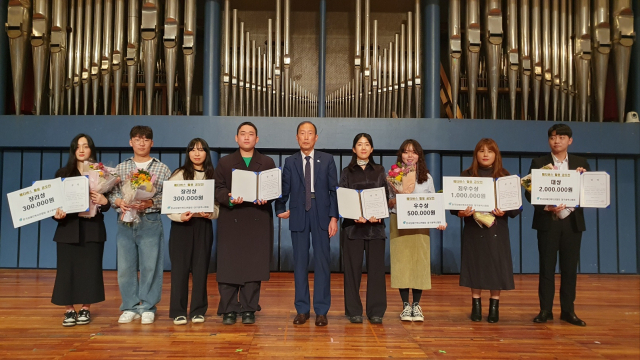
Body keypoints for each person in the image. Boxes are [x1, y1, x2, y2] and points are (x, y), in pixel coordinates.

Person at [275, 121, 339, 327]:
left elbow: (333, 191)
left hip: (321, 215)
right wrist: (279, 208)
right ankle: (302, 310)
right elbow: (283, 190)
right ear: (296, 137)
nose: (305, 137)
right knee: (300, 264)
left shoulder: (327, 160)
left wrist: (334, 217)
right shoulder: (290, 161)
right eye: (302, 133)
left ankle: (321, 310)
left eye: (309, 133)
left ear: (316, 137)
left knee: (322, 263)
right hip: (298, 214)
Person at [526, 124, 590, 327]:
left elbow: (590, 192)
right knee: (546, 267)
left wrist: (583, 179)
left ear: (570, 141)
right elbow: (529, 191)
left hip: (572, 222)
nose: (557, 141)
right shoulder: (539, 163)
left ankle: (568, 311)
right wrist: (547, 206)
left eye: (562, 137)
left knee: (570, 269)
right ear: (549, 141)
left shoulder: (581, 163)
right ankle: (545, 310)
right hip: (548, 221)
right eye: (553, 137)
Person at [214, 122, 276, 325]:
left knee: (253, 265)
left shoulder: (267, 162)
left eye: (251, 134)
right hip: (232, 219)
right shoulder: (225, 162)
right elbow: (217, 189)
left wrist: (267, 197)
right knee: (229, 265)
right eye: (243, 134)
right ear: (236, 138)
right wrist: (229, 198)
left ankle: (249, 308)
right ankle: (229, 308)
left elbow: (274, 189)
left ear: (257, 139)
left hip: (257, 218)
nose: (247, 137)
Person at [453, 138, 521, 323]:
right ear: (476, 155)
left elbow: (516, 208)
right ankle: (475, 305)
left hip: (496, 229)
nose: (485, 154)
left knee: (495, 266)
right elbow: (454, 204)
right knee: (475, 265)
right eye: (481, 151)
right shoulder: (467, 175)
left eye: (489, 151)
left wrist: (504, 210)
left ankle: (494, 306)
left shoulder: (505, 177)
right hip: (474, 229)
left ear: (495, 155)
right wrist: (460, 212)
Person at [109, 126, 171, 325]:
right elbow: (110, 193)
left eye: (146, 139)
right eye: (137, 139)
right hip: (125, 220)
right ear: (131, 142)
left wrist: (150, 202)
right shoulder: (121, 168)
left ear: (152, 143)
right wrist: (119, 202)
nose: (142, 143)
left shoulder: (162, 168)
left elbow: (169, 196)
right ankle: (129, 306)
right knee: (126, 267)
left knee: (150, 266)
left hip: (150, 220)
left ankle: (148, 306)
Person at [52, 134, 110, 327]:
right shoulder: (63, 173)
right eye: (78, 147)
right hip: (68, 228)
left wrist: (105, 201)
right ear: (73, 150)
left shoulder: (101, 173)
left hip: (92, 228)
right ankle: (69, 310)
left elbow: (109, 202)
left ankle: (86, 307)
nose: (82, 150)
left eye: (86, 146)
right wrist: (56, 214)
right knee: (66, 271)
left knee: (90, 269)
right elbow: (55, 205)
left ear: (92, 149)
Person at [388, 140, 447, 322]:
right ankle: (406, 305)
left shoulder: (427, 177)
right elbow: (389, 202)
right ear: (401, 155)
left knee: (419, 262)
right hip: (399, 220)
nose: (410, 155)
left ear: (419, 156)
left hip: (420, 222)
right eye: (406, 152)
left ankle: (417, 305)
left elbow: (433, 201)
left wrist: (440, 219)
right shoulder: (393, 175)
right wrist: (398, 197)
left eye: (414, 152)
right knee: (402, 262)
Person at [167, 138, 219, 325]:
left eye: (201, 150)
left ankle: (198, 310)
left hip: (202, 226)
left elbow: (218, 207)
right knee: (179, 271)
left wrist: (210, 213)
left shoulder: (213, 175)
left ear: (207, 153)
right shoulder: (179, 174)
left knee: (200, 270)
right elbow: (169, 205)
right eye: (193, 150)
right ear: (188, 153)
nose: (197, 153)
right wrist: (179, 216)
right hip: (181, 227)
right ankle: (178, 311)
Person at [339, 133, 389, 324]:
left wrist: (380, 213)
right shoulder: (346, 171)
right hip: (353, 228)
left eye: (367, 144)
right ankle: (354, 311)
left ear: (372, 149)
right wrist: (353, 215)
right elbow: (342, 197)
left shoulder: (379, 170)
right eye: (359, 144)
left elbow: (385, 197)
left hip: (376, 228)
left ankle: (376, 311)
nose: (363, 147)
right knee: (352, 271)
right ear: (354, 149)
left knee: (376, 271)